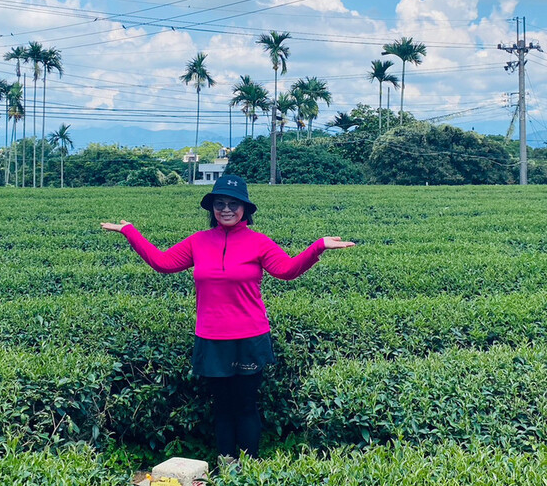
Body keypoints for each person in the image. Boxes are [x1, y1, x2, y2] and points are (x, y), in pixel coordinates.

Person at [100, 174, 355, 464]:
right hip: (211, 337)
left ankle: (249, 472)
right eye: (220, 203)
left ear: (245, 208)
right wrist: (130, 231)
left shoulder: (259, 243)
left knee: (246, 406)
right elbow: (163, 263)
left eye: (234, 203)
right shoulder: (198, 241)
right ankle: (226, 470)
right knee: (222, 408)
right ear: (212, 209)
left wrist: (318, 246)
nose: (226, 209)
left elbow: (286, 270)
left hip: (250, 336)